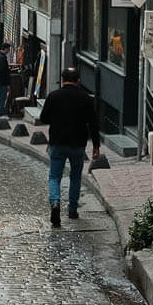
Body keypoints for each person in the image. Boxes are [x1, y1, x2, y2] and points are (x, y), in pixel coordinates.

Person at [36, 66, 102, 228]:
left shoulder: (53, 96)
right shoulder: (86, 98)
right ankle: (72, 209)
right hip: (78, 144)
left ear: (63, 79)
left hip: (58, 142)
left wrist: (57, 119)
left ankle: (55, 202)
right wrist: (96, 146)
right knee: (75, 176)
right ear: (78, 80)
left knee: (54, 176)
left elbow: (44, 117)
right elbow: (93, 123)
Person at [0, 43, 12, 116]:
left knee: (1, 96)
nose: (9, 51)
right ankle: (0, 112)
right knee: (2, 97)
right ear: (5, 48)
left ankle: (0, 110)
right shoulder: (2, 58)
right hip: (2, 82)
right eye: (8, 49)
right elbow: (2, 71)